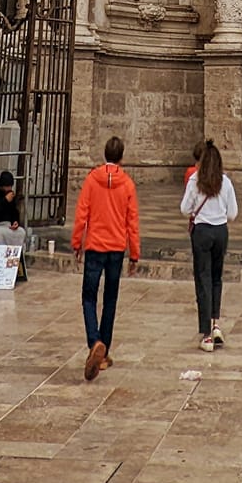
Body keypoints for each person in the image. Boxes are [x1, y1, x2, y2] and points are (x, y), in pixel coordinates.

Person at [71, 135, 140, 380]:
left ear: (105, 155)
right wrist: (135, 253)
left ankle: (94, 342)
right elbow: (132, 222)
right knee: (110, 299)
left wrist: (76, 242)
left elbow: (82, 214)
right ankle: (103, 351)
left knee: (88, 297)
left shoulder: (92, 180)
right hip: (116, 249)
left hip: (95, 247)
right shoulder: (128, 185)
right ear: (121, 156)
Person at [180, 139, 238, 350]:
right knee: (216, 278)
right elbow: (233, 213)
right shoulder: (226, 182)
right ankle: (215, 324)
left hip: (202, 232)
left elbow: (185, 209)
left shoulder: (195, 180)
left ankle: (205, 334)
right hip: (221, 231)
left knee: (202, 279)